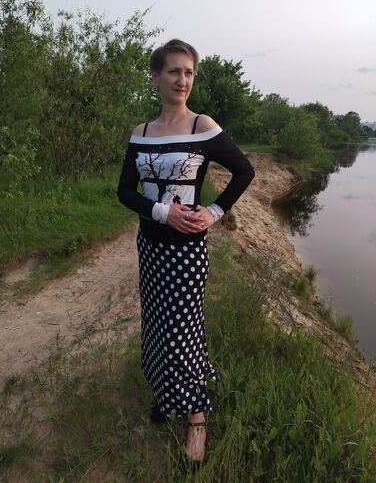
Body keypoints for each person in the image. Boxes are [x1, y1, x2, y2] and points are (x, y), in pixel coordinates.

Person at [117, 38, 255, 464]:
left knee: (183, 331)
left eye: (189, 72)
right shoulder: (141, 133)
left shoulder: (201, 127)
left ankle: (196, 418)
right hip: (150, 247)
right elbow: (125, 191)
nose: (182, 80)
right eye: (174, 71)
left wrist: (214, 212)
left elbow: (244, 171)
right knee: (157, 325)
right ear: (156, 77)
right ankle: (166, 394)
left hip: (187, 252)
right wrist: (162, 212)